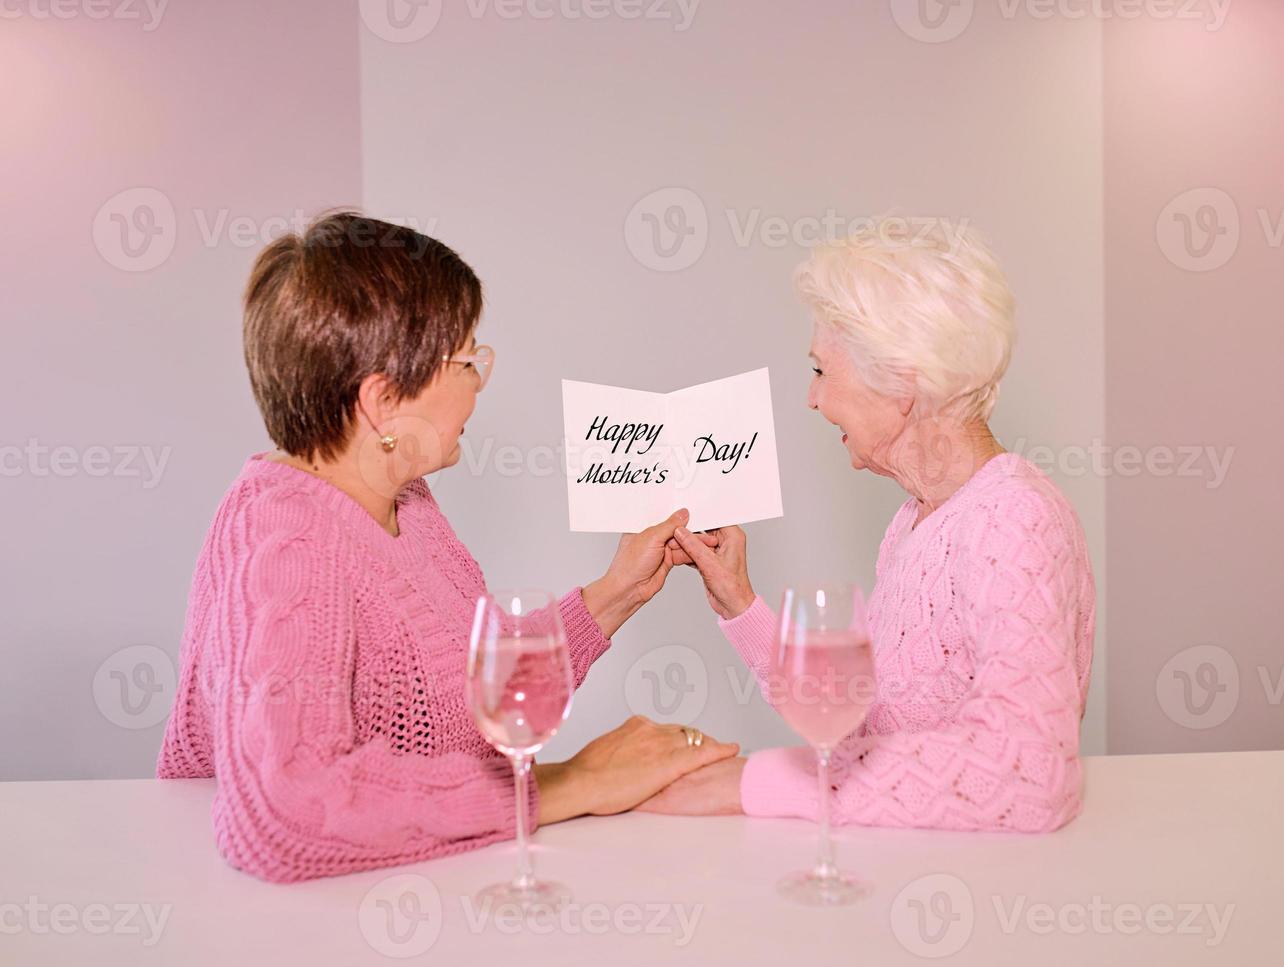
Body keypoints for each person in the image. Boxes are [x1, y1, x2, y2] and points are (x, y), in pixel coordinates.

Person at [156, 212, 737, 883]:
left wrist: (616, 592)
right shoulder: (284, 533)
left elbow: (465, 689)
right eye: (464, 359)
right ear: (382, 401)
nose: (479, 380)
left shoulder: (406, 500)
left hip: (417, 888)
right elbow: (289, 813)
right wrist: (575, 783)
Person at [647, 218, 1096, 833]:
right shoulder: (917, 520)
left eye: (822, 371)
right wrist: (739, 602)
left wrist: (753, 782)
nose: (812, 398)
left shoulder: (1012, 518)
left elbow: (1028, 775)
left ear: (901, 383)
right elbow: (862, 732)